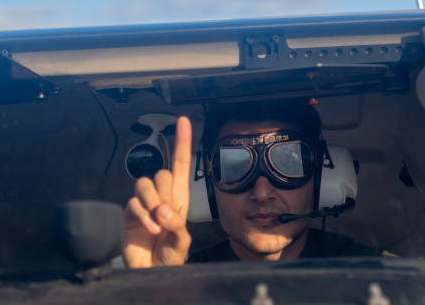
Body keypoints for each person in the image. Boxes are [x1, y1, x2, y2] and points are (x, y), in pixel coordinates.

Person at [122, 100, 381, 269]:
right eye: (235, 167)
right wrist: (154, 289)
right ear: (206, 184)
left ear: (321, 175)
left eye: (288, 162)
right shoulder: (184, 277)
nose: (262, 192)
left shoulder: (377, 276)